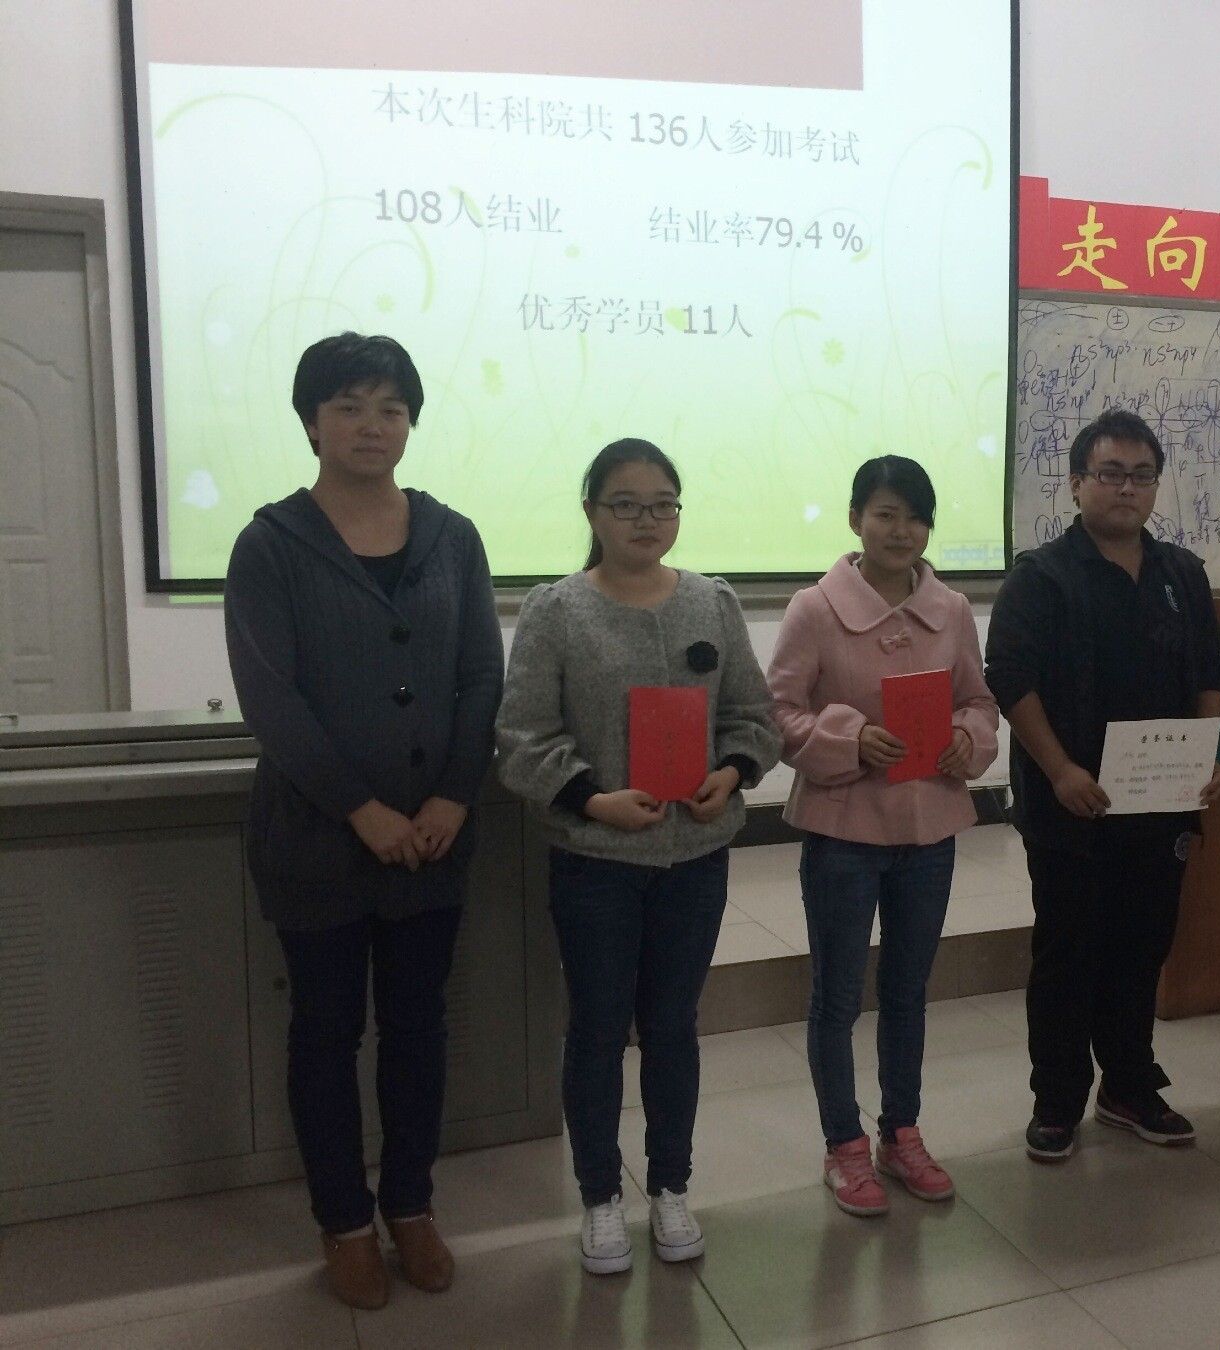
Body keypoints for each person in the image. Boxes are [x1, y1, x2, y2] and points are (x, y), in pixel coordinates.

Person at [223, 332, 504, 1311]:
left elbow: (481, 675)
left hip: (434, 840)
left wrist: (454, 795)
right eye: (348, 406)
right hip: (317, 842)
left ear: (411, 422)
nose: (371, 425)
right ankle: (344, 1222)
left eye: (390, 407)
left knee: (420, 1026)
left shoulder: (452, 536)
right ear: (312, 422)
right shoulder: (270, 543)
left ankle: (411, 1206)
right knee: (327, 1030)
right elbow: (271, 699)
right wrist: (363, 809)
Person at [495, 438, 779, 1276]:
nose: (646, 520)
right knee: (595, 1028)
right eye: (625, 504)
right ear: (593, 512)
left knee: (673, 1028)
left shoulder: (712, 602)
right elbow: (521, 738)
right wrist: (592, 799)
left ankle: (671, 1187)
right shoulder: (556, 611)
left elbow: (753, 717)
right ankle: (598, 1198)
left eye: (662, 504)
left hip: (696, 857)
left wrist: (732, 773)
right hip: (595, 860)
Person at [985, 407, 1220, 1163]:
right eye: (1110, 473)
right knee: (1068, 955)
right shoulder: (1041, 576)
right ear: (1076, 482)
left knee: (1141, 949)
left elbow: (1210, 675)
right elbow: (1010, 679)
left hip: (1161, 806)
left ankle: (1128, 1085)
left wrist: (1209, 755)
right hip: (1072, 808)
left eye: (1141, 476)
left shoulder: (1181, 574)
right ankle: (1057, 1099)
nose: (1126, 488)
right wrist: (1059, 769)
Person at [766, 456, 1000, 1217]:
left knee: (907, 991)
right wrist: (848, 739)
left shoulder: (951, 608)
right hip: (844, 832)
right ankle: (844, 1146)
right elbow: (779, 713)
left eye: (916, 517)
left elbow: (979, 701)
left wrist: (968, 738)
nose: (902, 531)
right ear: (855, 519)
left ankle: (902, 1133)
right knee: (837, 997)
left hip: (930, 829)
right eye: (886, 514)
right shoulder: (814, 609)